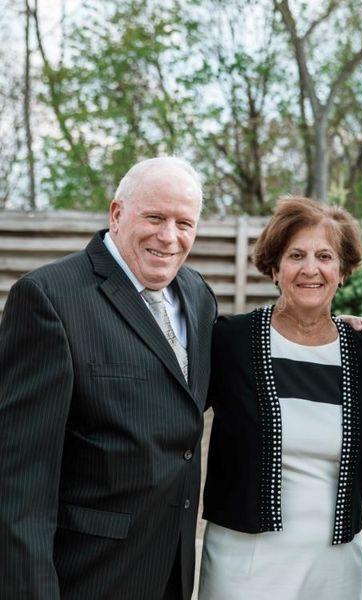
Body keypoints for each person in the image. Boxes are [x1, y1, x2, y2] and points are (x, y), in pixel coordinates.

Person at [0, 157, 218, 599]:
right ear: (117, 213)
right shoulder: (48, 300)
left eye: (184, 223)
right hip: (87, 574)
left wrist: (323, 328)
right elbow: (18, 484)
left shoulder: (197, 295)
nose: (169, 237)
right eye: (155, 217)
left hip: (170, 570)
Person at [198, 196, 362, 600]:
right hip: (242, 563)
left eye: (325, 256)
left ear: (343, 271)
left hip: (333, 565)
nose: (310, 269)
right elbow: (173, 411)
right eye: (296, 255)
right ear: (275, 268)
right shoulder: (230, 342)